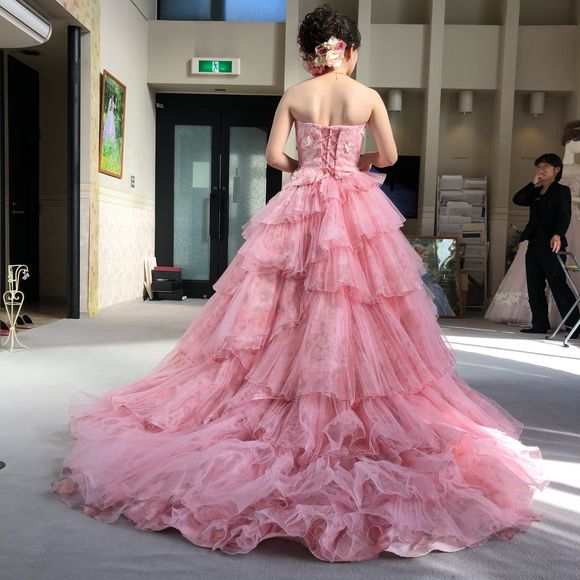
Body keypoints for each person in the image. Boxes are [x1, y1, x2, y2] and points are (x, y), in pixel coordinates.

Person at [53, 5, 545, 562]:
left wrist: (308, 168)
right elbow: (387, 156)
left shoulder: (294, 93)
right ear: (349, 50)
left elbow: (271, 156)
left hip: (303, 200)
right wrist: (352, 165)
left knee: (282, 296)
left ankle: (283, 379)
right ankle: (338, 376)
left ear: (312, 52)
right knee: (357, 298)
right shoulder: (367, 96)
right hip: (353, 203)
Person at [513, 153, 580, 335]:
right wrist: (532, 183)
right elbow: (517, 199)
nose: (541, 169)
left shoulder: (562, 191)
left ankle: (574, 325)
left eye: (546, 166)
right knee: (534, 286)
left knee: (558, 284)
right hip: (533, 243)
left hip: (552, 244)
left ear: (556, 170)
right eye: (539, 166)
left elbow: (564, 214)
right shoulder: (535, 192)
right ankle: (540, 324)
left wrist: (558, 234)